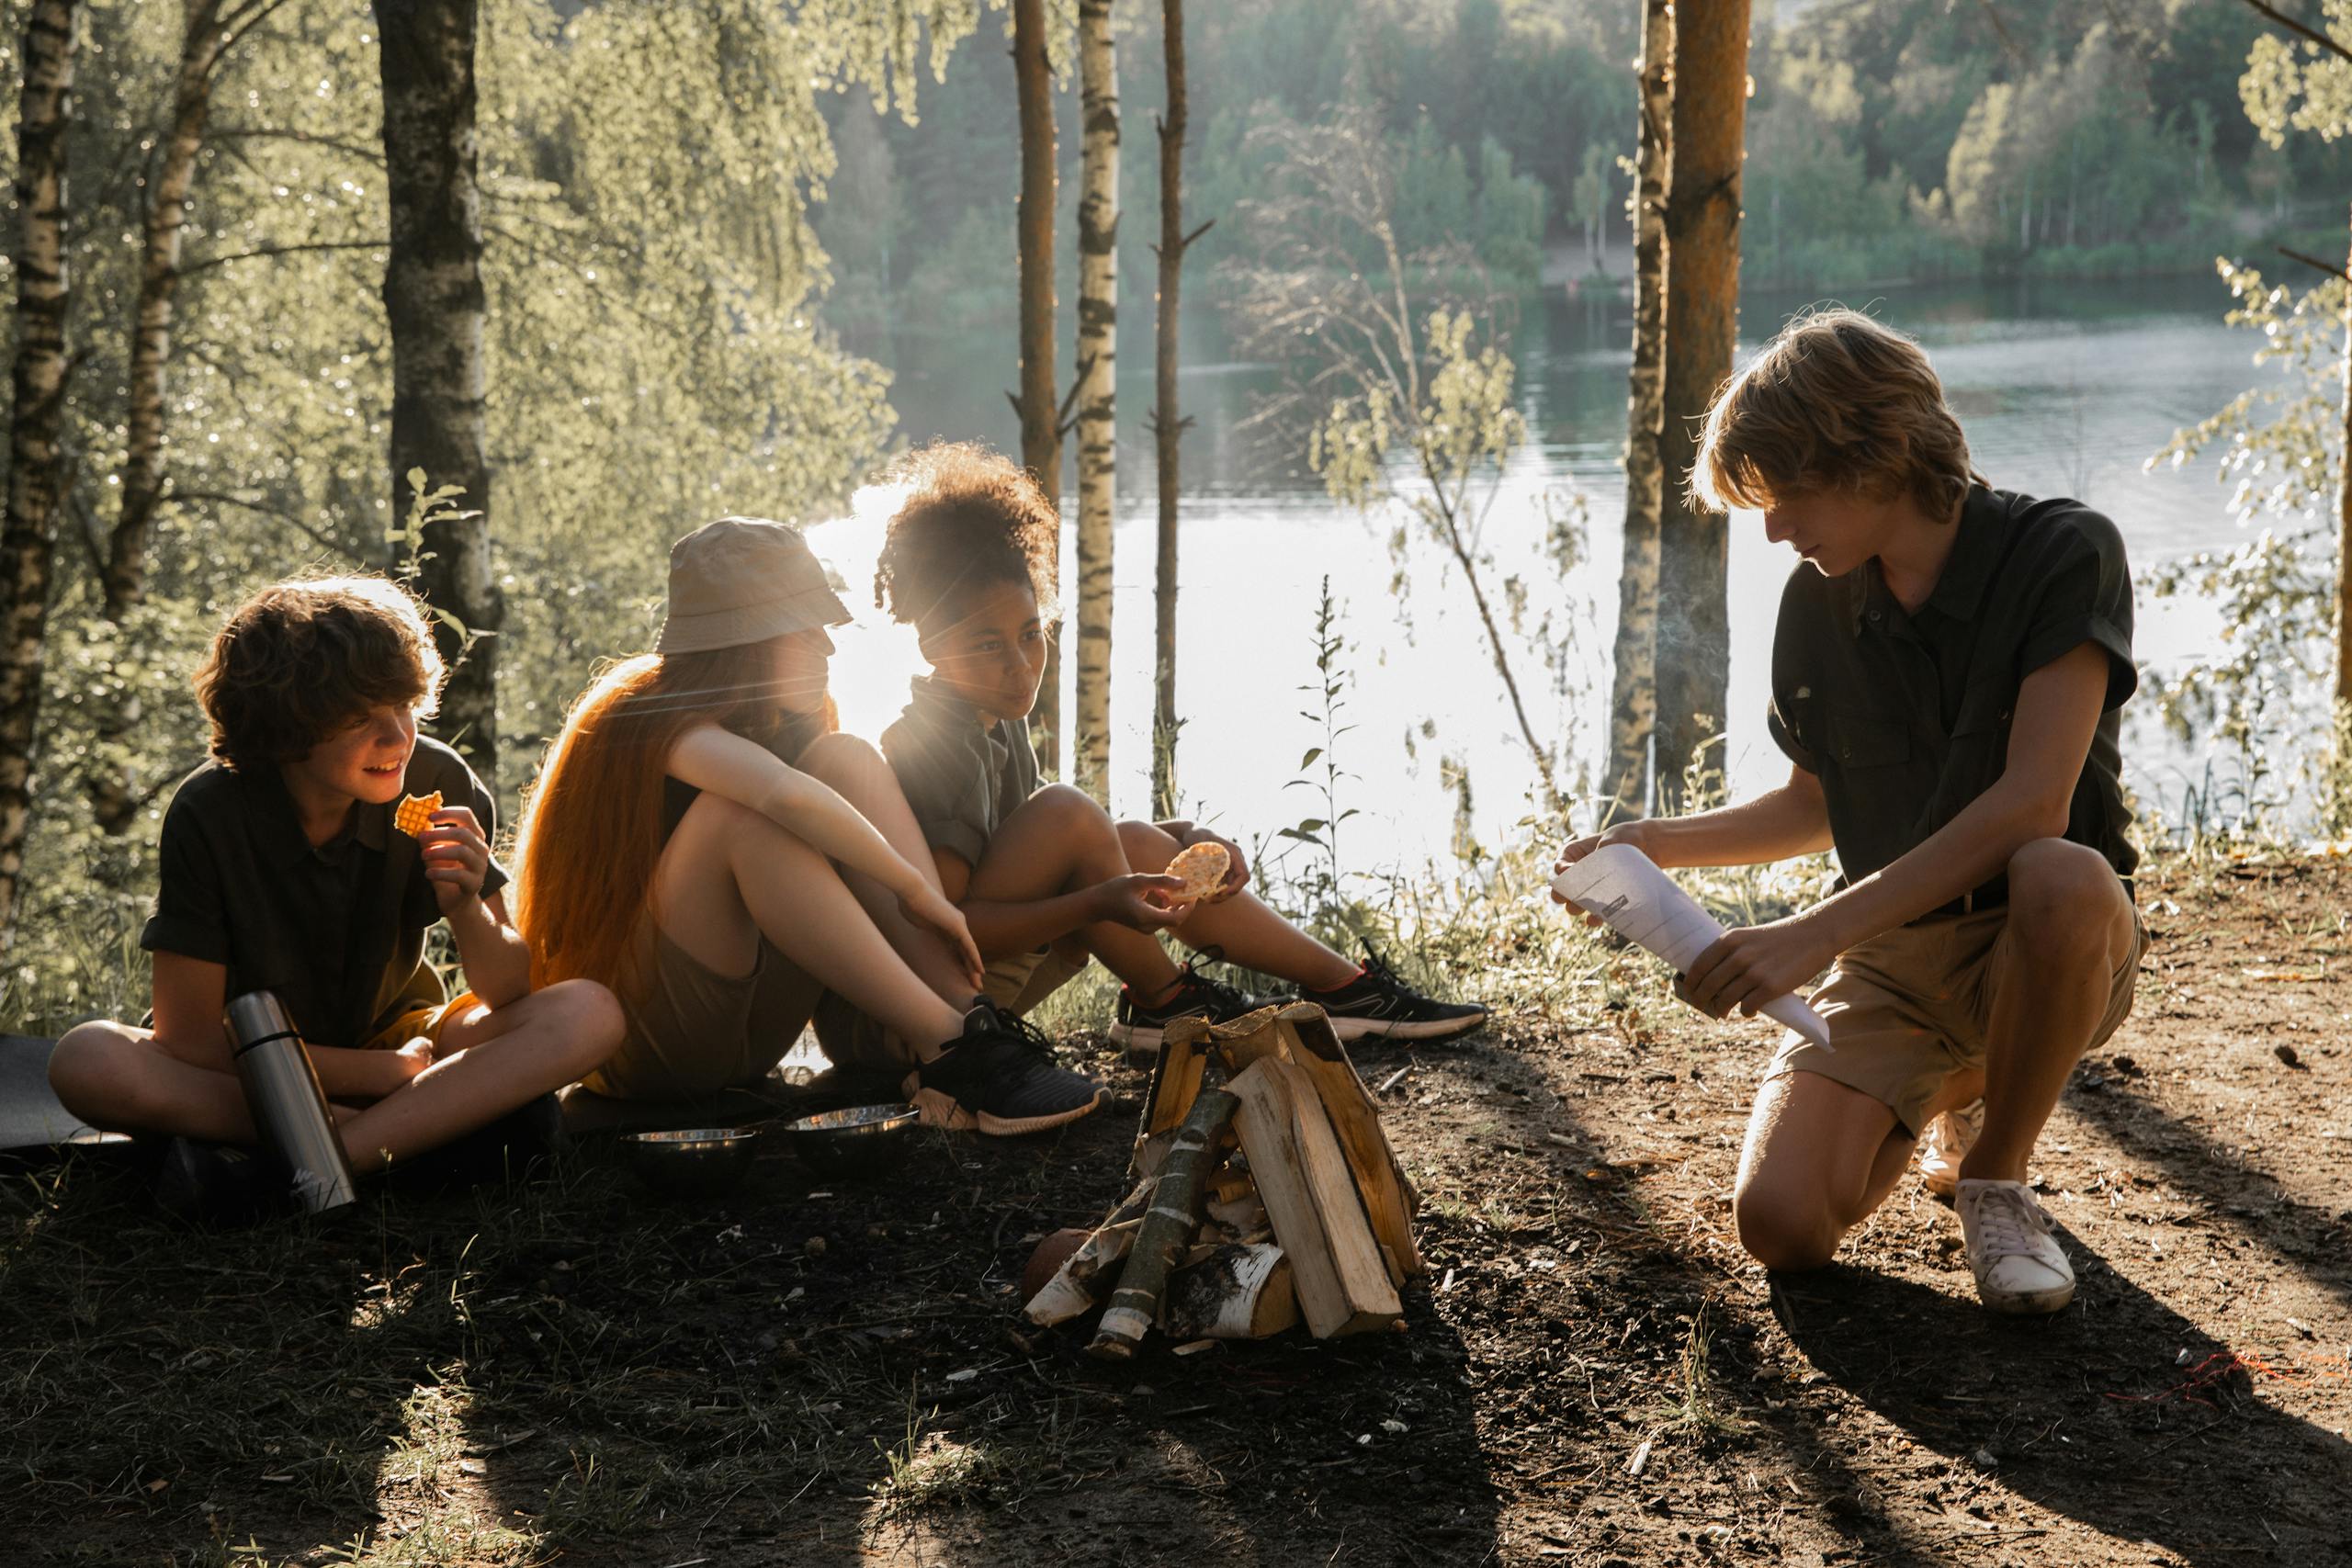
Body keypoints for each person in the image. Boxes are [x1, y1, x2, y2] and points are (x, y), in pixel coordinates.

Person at [1555, 309, 2145, 1315]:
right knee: (1781, 1227)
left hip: (2048, 942)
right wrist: (1650, 844)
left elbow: (2030, 804)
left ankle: (1996, 1176)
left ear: (1871, 455)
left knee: (2058, 868)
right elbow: (1811, 806)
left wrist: (1808, 934)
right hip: (1892, 963)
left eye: (1788, 494)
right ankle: (1957, 1079)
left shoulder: (2062, 553)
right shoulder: (1817, 600)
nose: (1775, 526)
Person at [835, 442, 1487, 1066]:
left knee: (1134, 840)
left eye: (1030, 634)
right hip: (914, 1023)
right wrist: (1096, 902)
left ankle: (1348, 990)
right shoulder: (932, 745)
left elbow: (1070, 854)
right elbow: (951, 930)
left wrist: (1188, 836)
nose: (1019, 665)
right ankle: (1168, 1002)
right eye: (985, 644)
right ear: (930, 645)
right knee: (1069, 811)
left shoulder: (988, 720)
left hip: (977, 990)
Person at [511, 516, 1109, 1137]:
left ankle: (972, 1030)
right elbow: (781, 795)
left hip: (742, 1033)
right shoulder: (656, 724)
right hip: (648, 1046)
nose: (827, 647)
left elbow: (810, 800)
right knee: (741, 817)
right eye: (804, 632)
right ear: (744, 646)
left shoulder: (786, 720)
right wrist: (917, 888)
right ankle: (949, 1044)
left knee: (844, 756)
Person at [48, 576, 625, 1214]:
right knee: (87, 1059)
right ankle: (417, 1132)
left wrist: (466, 907)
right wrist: (385, 1078)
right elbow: (189, 1042)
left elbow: (508, 990)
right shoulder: (210, 811)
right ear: (286, 725)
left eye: (406, 704)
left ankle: (314, 1162)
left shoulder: (436, 778)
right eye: (360, 717)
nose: (397, 736)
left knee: (588, 1012)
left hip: (402, 1035)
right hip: (251, 1064)